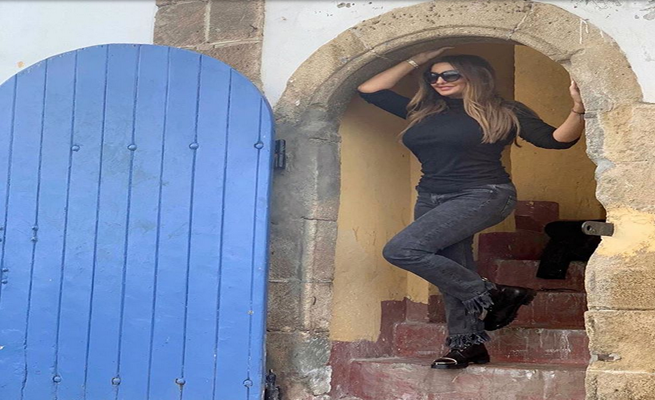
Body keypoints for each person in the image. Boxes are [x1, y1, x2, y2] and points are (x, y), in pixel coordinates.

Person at [357, 48, 585, 369]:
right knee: (451, 268)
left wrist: (578, 109)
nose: (440, 81)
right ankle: (468, 345)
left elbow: (556, 140)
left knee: (402, 249)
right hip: (431, 197)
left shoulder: (503, 110)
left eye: (450, 74)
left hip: (485, 194)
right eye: (433, 76)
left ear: (474, 77)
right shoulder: (423, 110)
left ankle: (495, 294)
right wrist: (419, 57)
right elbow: (369, 90)